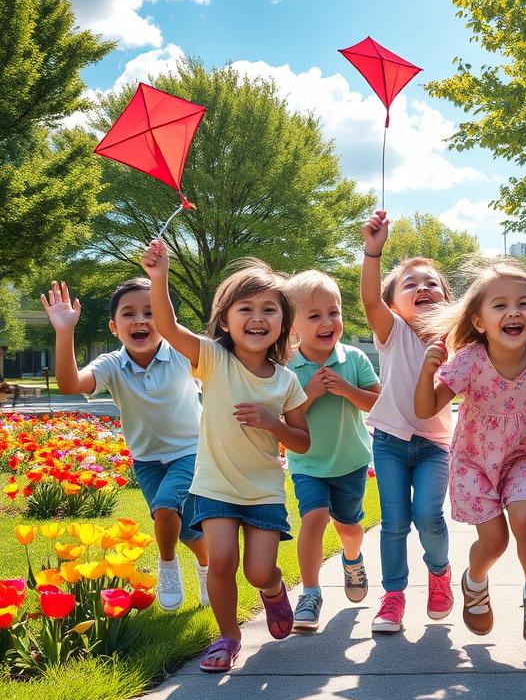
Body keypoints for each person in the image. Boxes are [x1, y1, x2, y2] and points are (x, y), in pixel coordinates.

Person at [142, 240, 310, 673]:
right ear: (226, 320)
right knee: (220, 560)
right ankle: (228, 636)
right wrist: (159, 277)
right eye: (245, 309)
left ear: (284, 323)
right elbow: (166, 325)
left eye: (269, 309)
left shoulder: (287, 381)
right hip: (215, 484)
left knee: (258, 571)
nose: (257, 318)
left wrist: (273, 423)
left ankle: (272, 592)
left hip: (263, 491)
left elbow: (302, 442)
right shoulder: (213, 358)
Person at [415, 258, 526, 641]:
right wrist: (426, 373)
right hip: (475, 460)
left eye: (523, 303)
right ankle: (475, 582)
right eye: (499, 305)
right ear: (478, 321)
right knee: (495, 541)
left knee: (524, 519)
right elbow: (425, 409)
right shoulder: (469, 361)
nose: (513, 312)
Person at [41, 278, 209, 611]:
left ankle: (167, 566)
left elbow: (226, 363)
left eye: (150, 312)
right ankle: (206, 568)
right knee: (189, 530)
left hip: (192, 452)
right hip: (146, 460)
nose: (140, 320)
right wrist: (64, 331)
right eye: (129, 313)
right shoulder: (111, 365)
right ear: (114, 327)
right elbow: (69, 383)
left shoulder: (181, 354)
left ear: (165, 318)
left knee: (165, 508)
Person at [361, 210, 454, 634]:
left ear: (447, 298)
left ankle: (439, 574)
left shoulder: (455, 338)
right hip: (391, 441)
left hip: (435, 445)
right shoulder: (392, 330)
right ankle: (393, 596)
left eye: (432, 283)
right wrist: (372, 252)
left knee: (429, 516)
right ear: (394, 301)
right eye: (410, 284)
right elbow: (368, 299)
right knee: (395, 521)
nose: (422, 288)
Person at [285, 271, 381, 632]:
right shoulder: (289, 367)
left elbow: (378, 402)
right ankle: (310, 593)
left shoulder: (353, 359)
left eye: (334, 312)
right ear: (293, 327)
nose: (328, 323)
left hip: (350, 462)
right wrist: (309, 391)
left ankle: (352, 559)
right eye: (314, 316)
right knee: (314, 518)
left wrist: (345, 389)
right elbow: (286, 418)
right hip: (306, 462)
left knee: (350, 527)